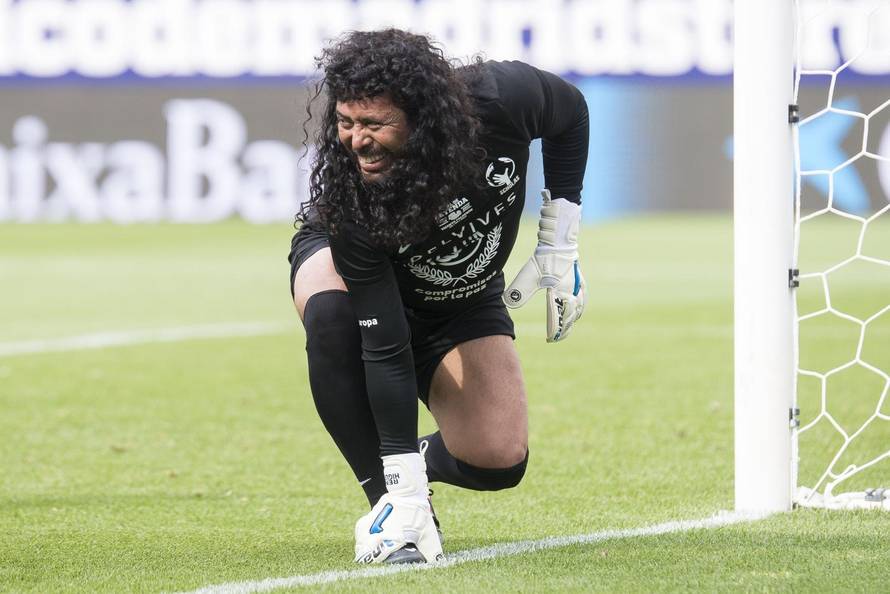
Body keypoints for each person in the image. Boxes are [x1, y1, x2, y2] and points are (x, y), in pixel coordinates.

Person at [289, 28, 588, 564]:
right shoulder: (353, 201)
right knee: (332, 315)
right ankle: (394, 509)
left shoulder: (502, 98)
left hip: (462, 293)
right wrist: (403, 487)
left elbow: (571, 113)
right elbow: (386, 350)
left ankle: (401, 469)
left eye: (375, 124)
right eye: (346, 122)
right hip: (372, 285)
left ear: (422, 116)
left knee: (498, 458)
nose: (357, 140)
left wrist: (559, 240)